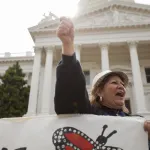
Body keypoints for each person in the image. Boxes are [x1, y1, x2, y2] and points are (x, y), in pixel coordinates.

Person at [54, 17, 150, 148]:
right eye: (114, 82)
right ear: (99, 91)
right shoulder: (87, 113)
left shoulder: (137, 122)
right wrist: (68, 45)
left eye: (122, 84)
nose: (121, 86)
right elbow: (72, 93)